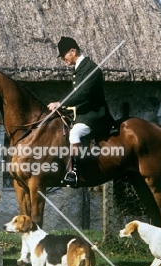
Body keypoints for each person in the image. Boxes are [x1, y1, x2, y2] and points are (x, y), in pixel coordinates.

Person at [47, 36, 113, 187]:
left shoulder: (91, 68)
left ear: (73, 51)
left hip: (94, 114)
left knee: (75, 133)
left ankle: (74, 171)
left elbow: (83, 94)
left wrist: (60, 103)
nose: (63, 59)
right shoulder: (79, 68)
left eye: (64, 56)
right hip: (82, 113)